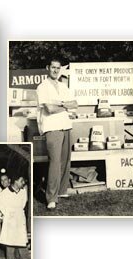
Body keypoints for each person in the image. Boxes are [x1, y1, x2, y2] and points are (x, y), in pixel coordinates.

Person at [36, 58, 78, 209]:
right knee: (54, 162)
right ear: (48, 68)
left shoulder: (63, 86)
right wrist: (65, 105)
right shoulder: (42, 87)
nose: (55, 70)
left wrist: (59, 103)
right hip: (52, 127)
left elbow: (75, 104)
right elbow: (49, 109)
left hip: (66, 125)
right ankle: (51, 198)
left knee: (65, 160)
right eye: (53, 67)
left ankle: (61, 191)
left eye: (58, 68)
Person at [0, 175, 31, 259]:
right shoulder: (4, 192)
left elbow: (23, 203)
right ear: (15, 181)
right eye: (21, 181)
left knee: (21, 239)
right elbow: (0, 204)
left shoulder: (23, 191)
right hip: (10, 217)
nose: (23, 183)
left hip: (20, 217)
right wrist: (8, 213)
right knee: (9, 240)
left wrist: (18, 211)